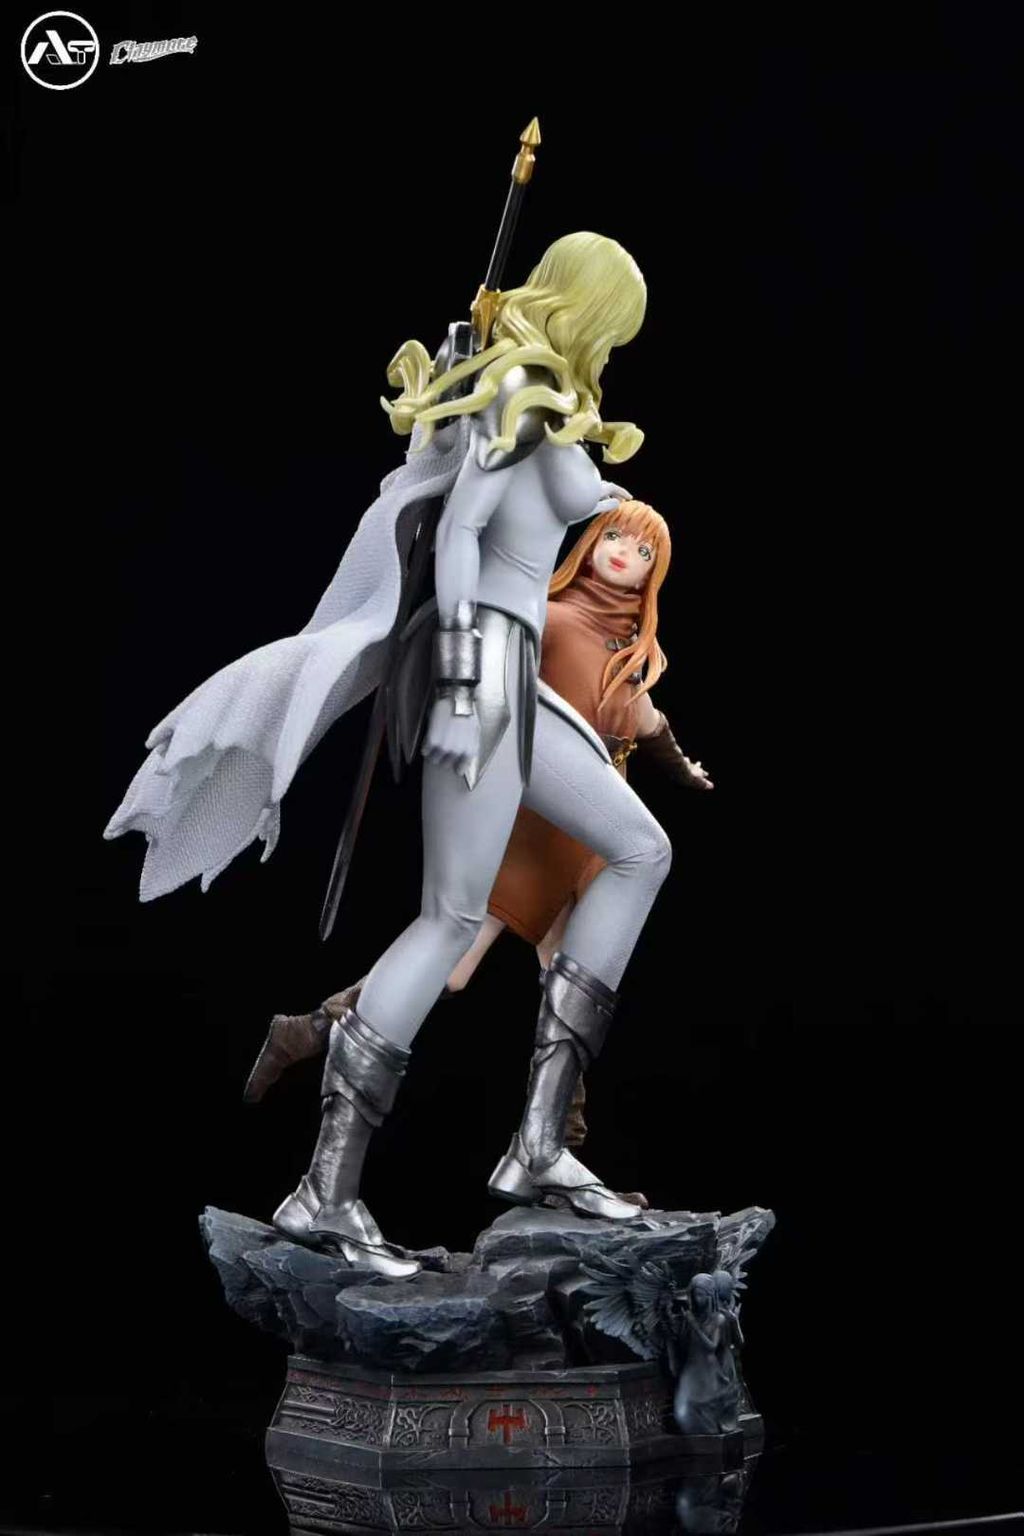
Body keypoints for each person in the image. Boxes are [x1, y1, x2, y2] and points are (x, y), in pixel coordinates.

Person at [107, 232, 671, 1278]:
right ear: (588, 310)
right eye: (615, 328)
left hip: (519, 680)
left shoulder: (529, 394)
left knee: (639, 849)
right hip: (484, 669)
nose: (614, 348)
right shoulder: (516, 394)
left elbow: (557, 496)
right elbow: (458, 533)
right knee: (450, 917)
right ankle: (324, 1192)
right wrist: (457, 671)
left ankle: (539, 1146)